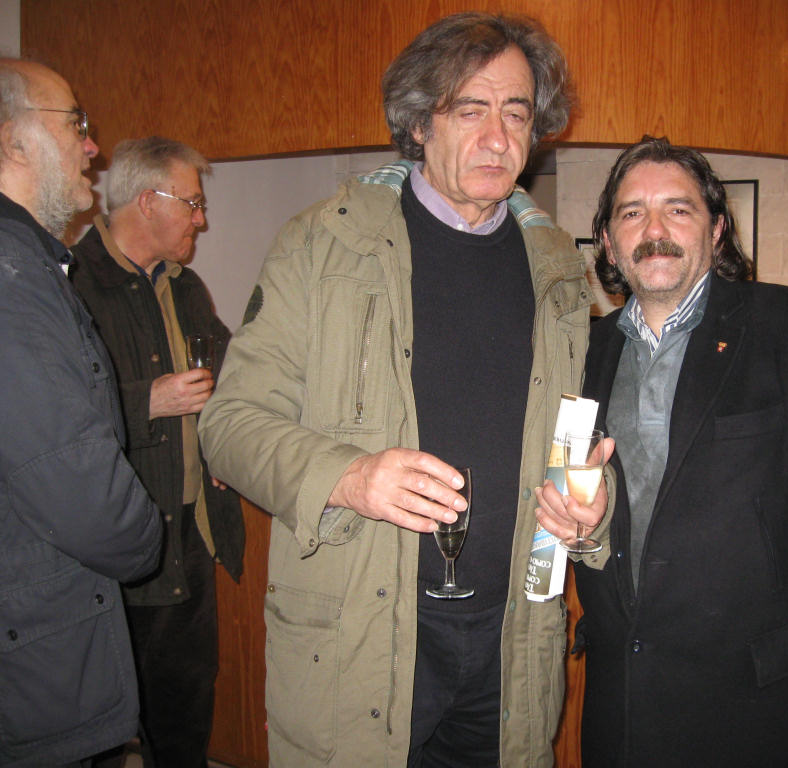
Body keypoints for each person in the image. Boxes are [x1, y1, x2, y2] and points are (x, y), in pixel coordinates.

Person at [199, 13, 607, 768]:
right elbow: (228, 423)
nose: (497, 137)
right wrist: (349, 476)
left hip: (511, 641)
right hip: (364, 636)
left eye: (516, 113)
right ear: (420, 124)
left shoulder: (557, 268)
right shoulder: (323, 244)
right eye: (470, 110)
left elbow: (570, 439)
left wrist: (585, 505)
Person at [570, 137, 788, 767]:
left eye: (678, 209)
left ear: (717, 229)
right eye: (632, 212)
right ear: (608, 242)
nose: (654, 230)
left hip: (756, 701)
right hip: (623, 698)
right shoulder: (586, 353)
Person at [0, 59, 162, 767]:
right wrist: (147, 537)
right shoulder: (11, 276)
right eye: (75, 124)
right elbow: (77, 488)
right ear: (12, 139)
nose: (92, 147)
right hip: (33, 664)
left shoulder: (31, 264)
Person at [69, 136, 245, 768]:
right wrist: (148, 399)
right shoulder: (70, 285)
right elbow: (46, 417)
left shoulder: (185, 287)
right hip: (113, 543)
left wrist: (224, 444)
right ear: (148, 201)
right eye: (192, 203)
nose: (201, 219)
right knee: (106, 724)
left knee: (186, 709)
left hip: (191, 532)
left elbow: (232, 376)